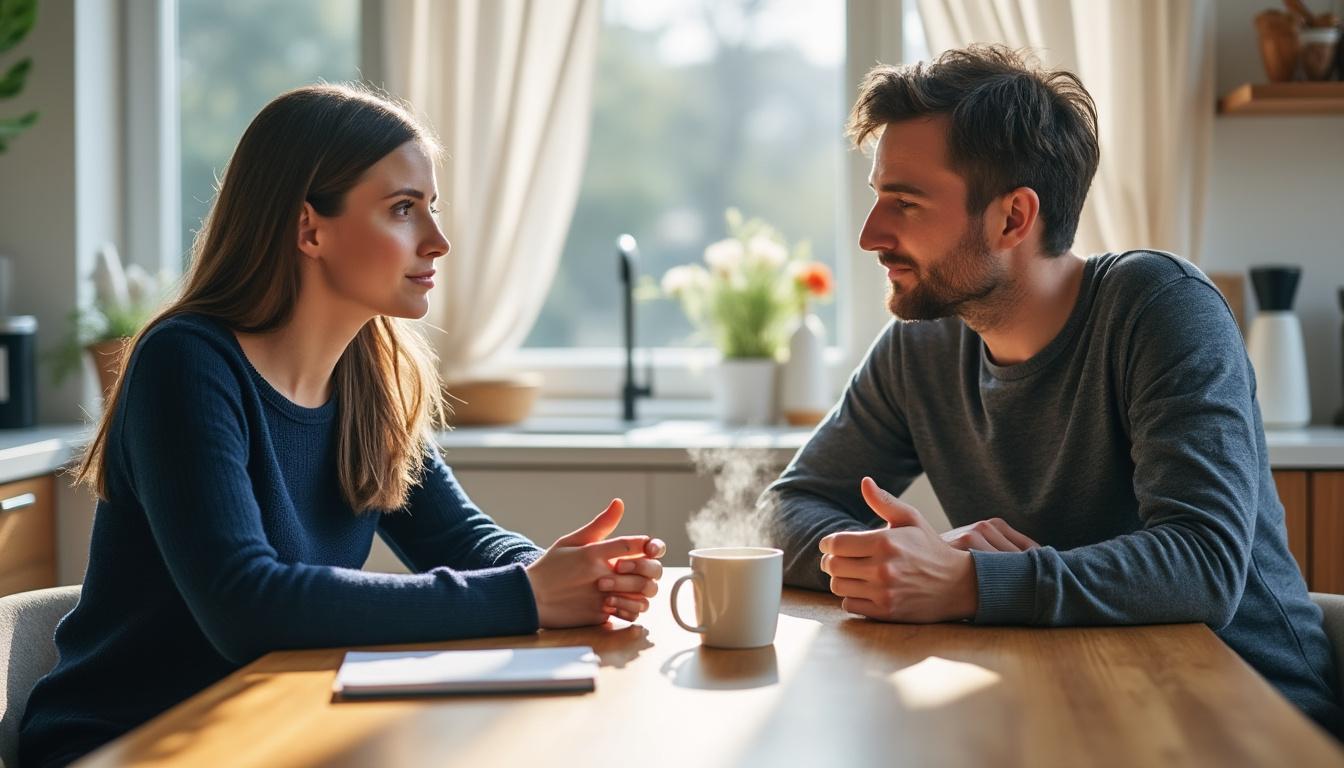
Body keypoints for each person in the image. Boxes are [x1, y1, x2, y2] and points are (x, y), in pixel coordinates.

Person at [19, 84, 666, 768]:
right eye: (403, 209)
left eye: (432, 208)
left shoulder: (370, 375)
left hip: (269, 727)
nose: (438, 241)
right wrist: (526, 594)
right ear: (310, 229)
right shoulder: (185, 363)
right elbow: (248, 606)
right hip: (129, 742)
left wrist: (565, 574)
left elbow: (456, 536)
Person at [764, 45, 1342, 734]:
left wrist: (967, 582)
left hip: (1251, 714)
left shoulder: (1160, 308)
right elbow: (786, 508)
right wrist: (904, 564)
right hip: (1072, 701)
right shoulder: (921, 348)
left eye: (905, 203)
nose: (870, 236)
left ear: (1013, 218)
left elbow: (1202, 563)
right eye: (876, 198)